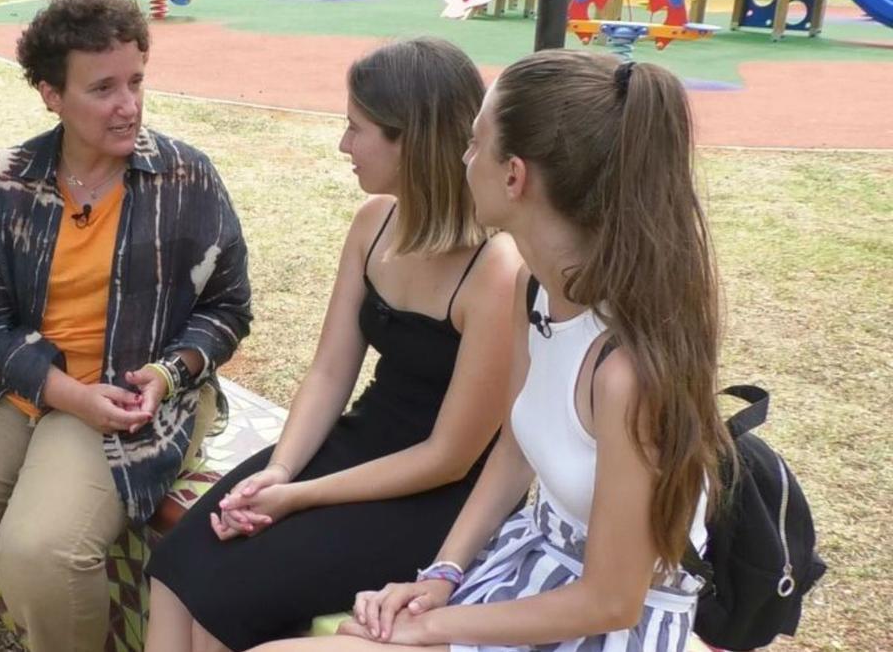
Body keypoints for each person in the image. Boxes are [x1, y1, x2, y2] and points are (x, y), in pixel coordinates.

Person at [253, 49, 738, 652]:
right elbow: (514, 449)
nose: (462, 158)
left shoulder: (625, 373)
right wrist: (441, 575)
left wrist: (432, 625)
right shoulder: (535, 291)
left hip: (600, 627)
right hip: (529, 567)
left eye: (475, 142)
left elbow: (612, 600)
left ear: (514, 175)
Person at [0, 0, 251, 652]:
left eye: (136, 81)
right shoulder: (8, 180)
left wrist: (168, 372)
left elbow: (229, 307)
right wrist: (67, 394)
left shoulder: (185, 179)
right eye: (102, 89)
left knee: (40, 551)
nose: (128, 105)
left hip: (127, 401)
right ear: (50, 94)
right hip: (22, 390)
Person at [144, 37, 523, 652]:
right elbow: (328, 372)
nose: (343, 145)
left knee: (224, 608)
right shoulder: (374, 223)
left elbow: (449, 456)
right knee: (178, 568)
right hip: (356, 445)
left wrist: (297, 497)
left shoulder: (495, 270)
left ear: (411, 141)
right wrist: (279, 469)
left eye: (356, 128)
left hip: (437, 493)